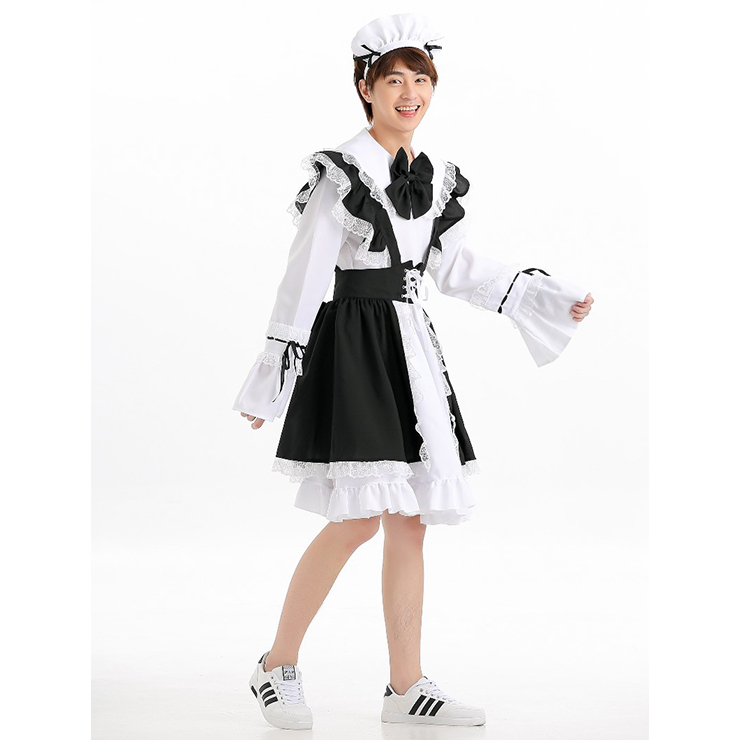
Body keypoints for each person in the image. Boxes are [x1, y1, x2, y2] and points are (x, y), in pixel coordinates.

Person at [233, 12, 594, 730]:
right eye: (394, 80)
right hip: (354, 346)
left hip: (409, 343)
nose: (409, 93)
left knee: (409, 523)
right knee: (356, 520)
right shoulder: (340, 173)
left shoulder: (432, 176)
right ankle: (276, 665)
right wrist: (273, 377)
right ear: (364, 87)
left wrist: (540, 296)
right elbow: (304, 277)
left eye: (421, 79)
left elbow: (452, 267)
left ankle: (406, 687)